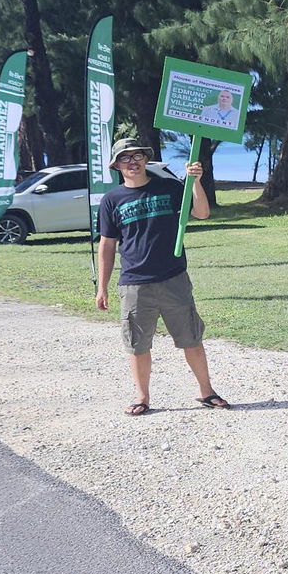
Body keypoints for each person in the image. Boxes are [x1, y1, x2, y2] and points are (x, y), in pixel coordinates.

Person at [95, 138, 230, 416]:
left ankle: (207, 391)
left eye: (137, 156)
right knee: (137, 343)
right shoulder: (112, 200)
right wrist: (102, 286)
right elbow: (107, 244)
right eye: (125, 158)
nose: (132, 162)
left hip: (173, 278)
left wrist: (196, 182)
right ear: (117, 165)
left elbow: (202, 213)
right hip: (134, 282)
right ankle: (142, 397)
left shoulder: (168, 187)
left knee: (191, 338)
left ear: (146, 159)